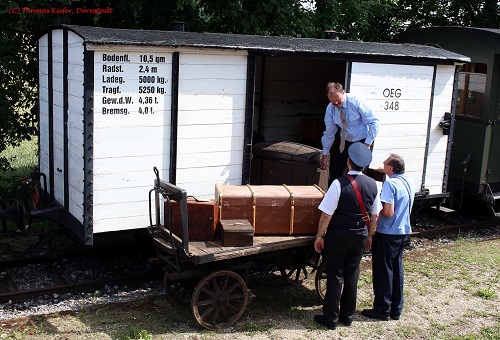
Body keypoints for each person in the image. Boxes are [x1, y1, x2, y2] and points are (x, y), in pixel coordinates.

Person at [313, 142, 382, 330]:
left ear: (349, 162)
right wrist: (369, 235)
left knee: (335, 275)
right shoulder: (373, 185)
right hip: (359, 236)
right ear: (364, 165)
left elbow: (326, 214)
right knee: (352, 275)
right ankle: (348, 316)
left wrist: (319, 236)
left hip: (339, 236)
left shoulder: (338, 184)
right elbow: (374, 215)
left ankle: (331, 318)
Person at [362, 153, 415, 321]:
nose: (382, 166)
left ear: (390, 168)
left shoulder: (389, 184)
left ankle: (382, 308)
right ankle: (396, 308)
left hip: (388, 233)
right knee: (397, 270)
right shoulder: (408, 180)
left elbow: (389, 212)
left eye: (384, 164)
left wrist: (374, 212)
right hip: (403, 231)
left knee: (383, 271)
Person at [320, 82, 379, 184]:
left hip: (363, 141)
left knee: (357, 175)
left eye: (338, 101)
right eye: (333, 102)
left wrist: (367, 145)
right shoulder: (330, 108)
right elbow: (329, 133)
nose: (336, 105)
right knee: (335, 173)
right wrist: (324, 156)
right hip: (345, 142)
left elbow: (374, 122)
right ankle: (334, 197)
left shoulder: (356, 102)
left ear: (343, 92)